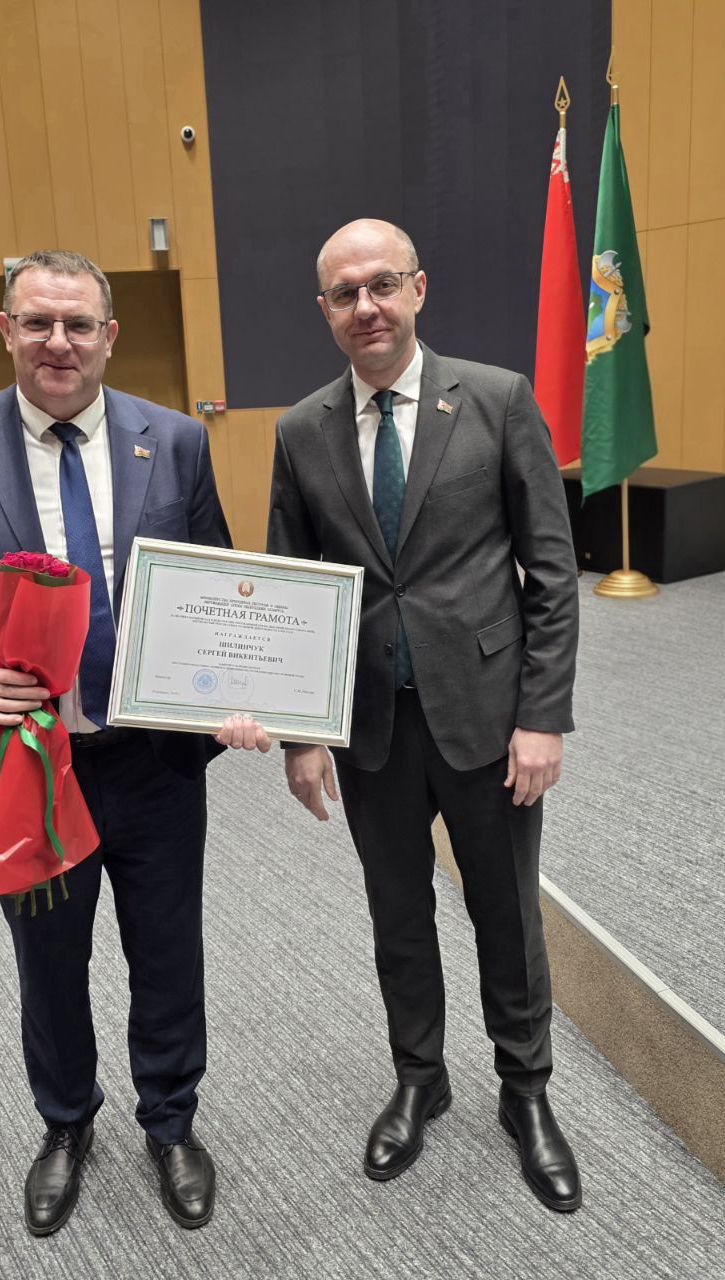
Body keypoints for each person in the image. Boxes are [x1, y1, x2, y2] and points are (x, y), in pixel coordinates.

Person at [0, 250, 232, 1235]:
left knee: (168, 953)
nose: (58, 342)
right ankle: (66, 1121)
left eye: (78, 324)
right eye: (37, 322)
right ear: (7, 330)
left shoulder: (174, 441)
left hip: (154, 765)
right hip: (30, 769)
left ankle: (171, 1121)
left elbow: (212, 587)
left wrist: (238, 692)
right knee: (50, 963)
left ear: (109, 336)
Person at [233, 217, 582, 1211]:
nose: (366, 307)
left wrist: (541, 716)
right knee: (397, 914)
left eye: (381, 284)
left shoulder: (497, 399)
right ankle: (419, 1077)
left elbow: (551, 573)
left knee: (504, 913)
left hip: (487, 718)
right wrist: (302, 735)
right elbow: (294, 590)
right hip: (369, 726)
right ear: (324, 309)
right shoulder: (300, 430)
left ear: (417, 288)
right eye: (344, 293)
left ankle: (524, 1090)